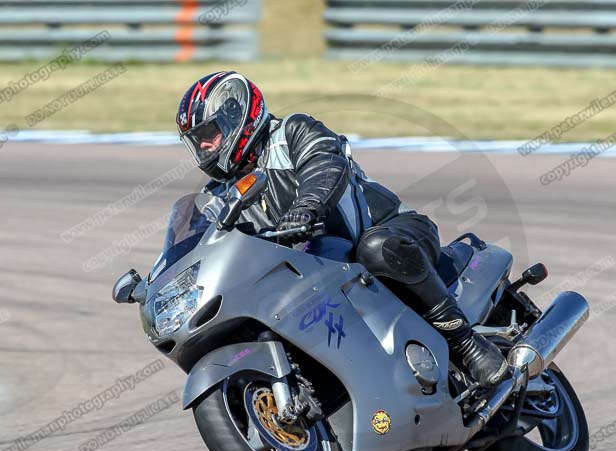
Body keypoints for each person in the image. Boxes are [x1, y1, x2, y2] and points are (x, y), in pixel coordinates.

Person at [176, 71, 507, 388]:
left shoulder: (292, 132)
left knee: (377, 247)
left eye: (209, 135)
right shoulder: (217, 196)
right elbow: (208, 245)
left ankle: (467, 344)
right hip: (322, 268)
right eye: (197, 141)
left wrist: (306, 207)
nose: (204, 147)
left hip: (392, 232)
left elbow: (324, 164)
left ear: (238, 119)